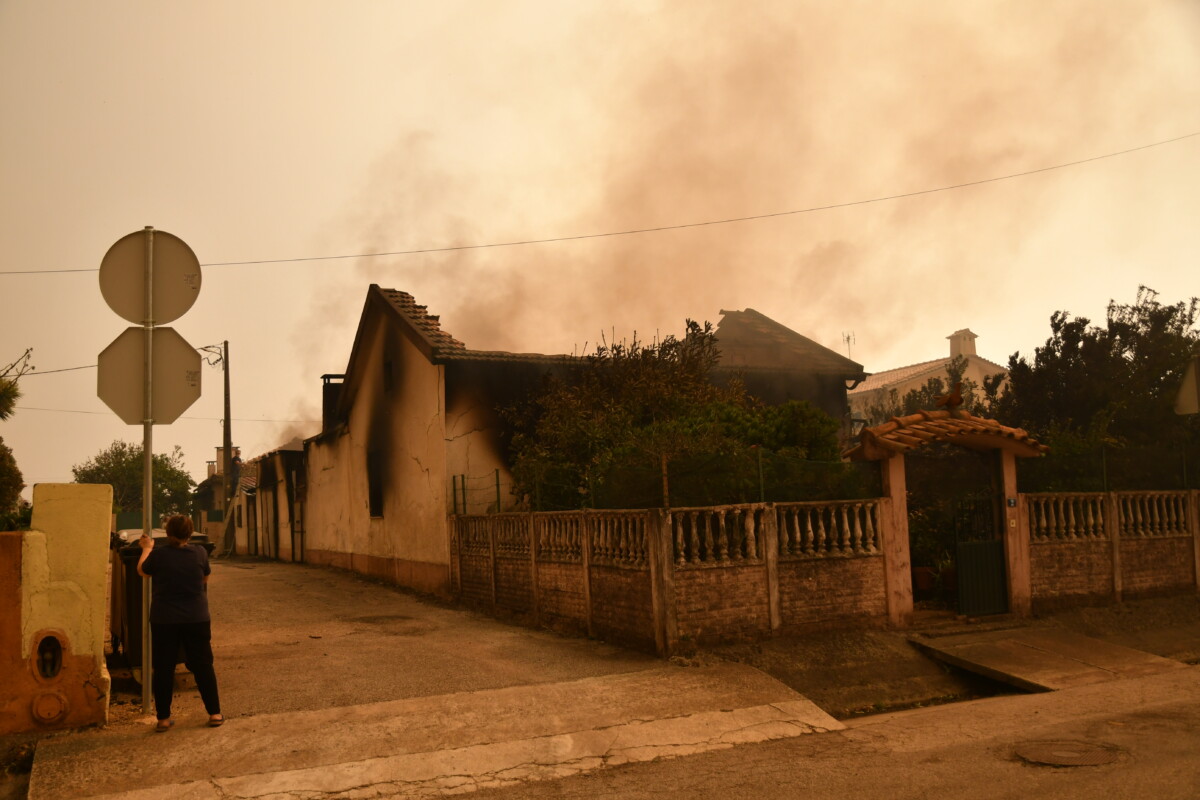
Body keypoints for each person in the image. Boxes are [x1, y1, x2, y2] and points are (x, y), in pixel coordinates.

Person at [136, 515, 224, 731]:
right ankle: (215, 713)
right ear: (190, 532)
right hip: (197, 617)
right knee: (203, 665)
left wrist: (147, 548)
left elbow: (142, 571)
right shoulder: (200, 552)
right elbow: (204, 579)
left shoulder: (159, 555)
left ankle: (163, 719)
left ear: (167, 532)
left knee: (164, 667)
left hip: (164, 619)